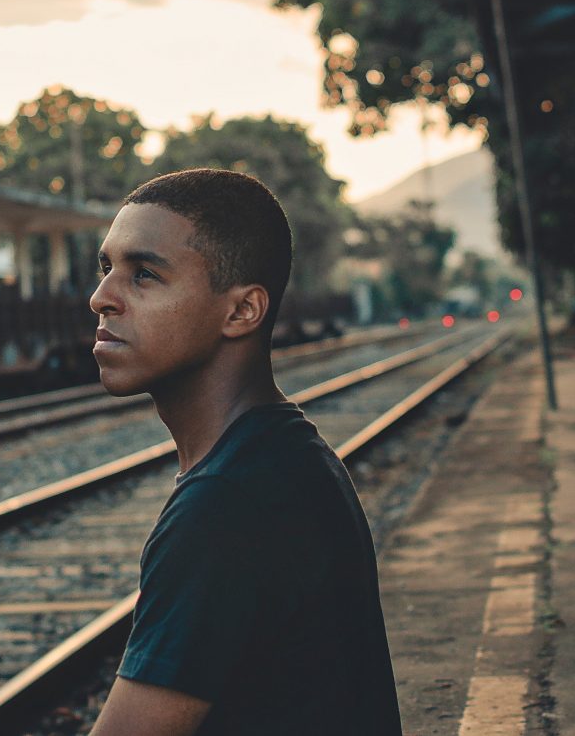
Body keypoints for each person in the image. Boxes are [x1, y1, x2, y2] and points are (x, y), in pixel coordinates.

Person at [87, 168, 402, 735]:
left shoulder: (225, 506)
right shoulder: (284, 455)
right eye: (107, 268)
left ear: (242, 312)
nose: (101, 299)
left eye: (145, 275)